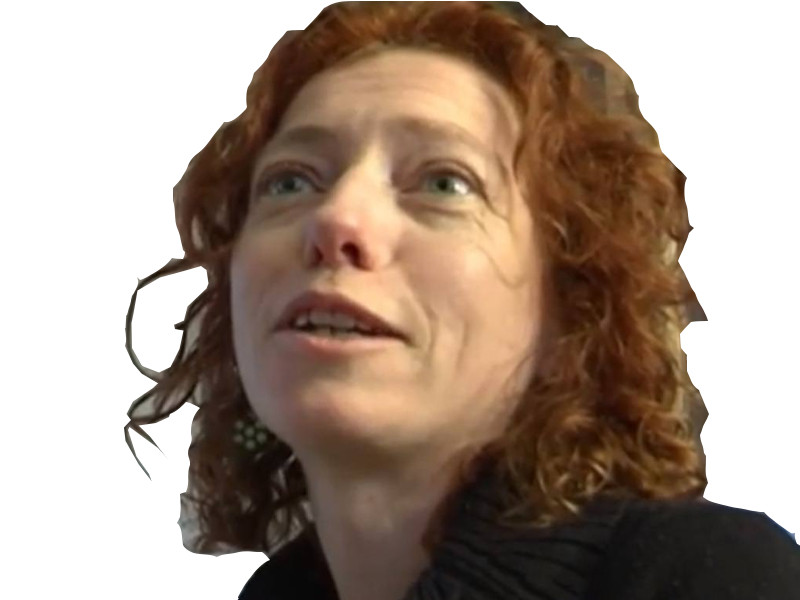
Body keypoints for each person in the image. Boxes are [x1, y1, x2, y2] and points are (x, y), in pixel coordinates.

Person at [124, 2, 800, 599]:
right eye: (290, 181)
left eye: (445, 182)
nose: (334, 219)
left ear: (569, 317)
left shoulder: (711, 575)